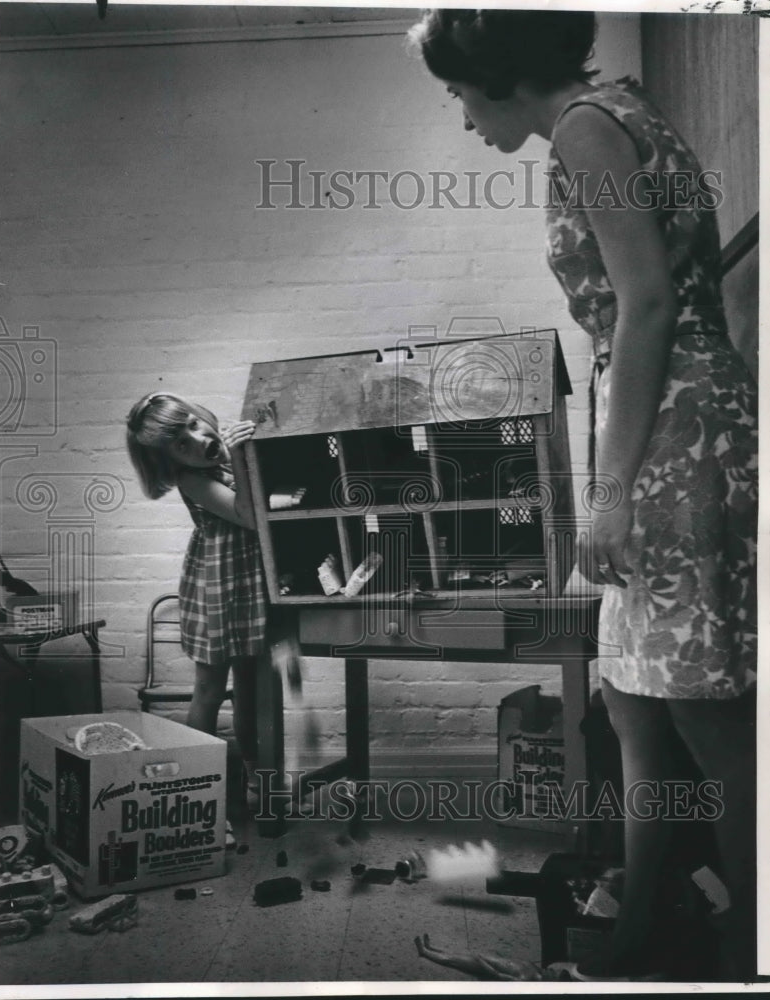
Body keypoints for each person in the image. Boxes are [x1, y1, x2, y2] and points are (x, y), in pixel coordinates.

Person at [408, 9, 757, 982]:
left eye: (458, 91)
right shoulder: (620, 109)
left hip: (677, 432)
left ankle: (748, 952)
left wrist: (605, 499)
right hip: (668, 418)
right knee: (633, 707)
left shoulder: (582, 127)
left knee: (712, 725)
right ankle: (632, 940)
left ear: (498, 72)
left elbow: (646, 302)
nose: (463, 115)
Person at [126, 392, 267, 808]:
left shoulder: (224, 454)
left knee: (249, 689)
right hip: (216, 588)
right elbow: (247, 515)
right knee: (208, 689)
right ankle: (200, 785)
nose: (196, 438)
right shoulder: (192, 478)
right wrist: (240, 456)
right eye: (181, 445)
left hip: (250, 585)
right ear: (171, 462)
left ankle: (255, 777)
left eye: (192, 424)